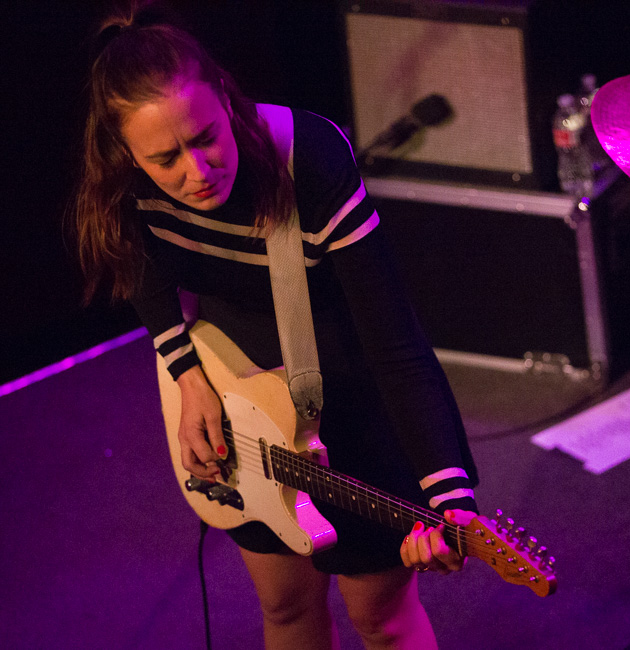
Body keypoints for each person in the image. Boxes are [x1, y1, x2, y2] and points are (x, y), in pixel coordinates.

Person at [70, 5, 479, 649]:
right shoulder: (128, 182)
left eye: (206, 137)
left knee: (380, 618)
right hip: (240, 412)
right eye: (165, 158)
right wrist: (187, 376)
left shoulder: (309, 158)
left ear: (229, 102)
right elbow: (144, 272)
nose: (196, 172)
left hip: (349, 399)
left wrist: (448, 494)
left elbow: (394, 341)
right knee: (285, 608)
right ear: (127, 155)